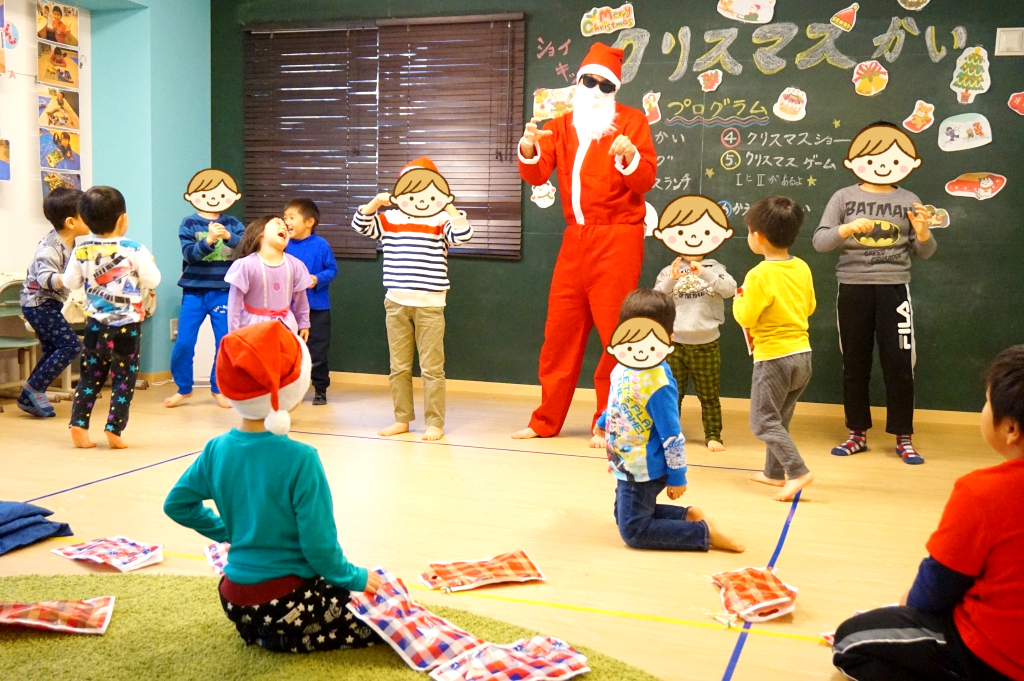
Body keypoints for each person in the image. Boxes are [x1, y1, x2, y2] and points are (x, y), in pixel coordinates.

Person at [164, 321, 383, 653]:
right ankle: (283, 638)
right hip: (285, 600)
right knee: (375, 621)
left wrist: (228, 531)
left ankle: (262, 633)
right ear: (293, 390)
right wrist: (357, 577)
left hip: (233, 599)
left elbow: (177, 504)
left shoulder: (216, 449)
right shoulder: (301, 459)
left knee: (324, 597)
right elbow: (320, 550)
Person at [832, 345, 1024, 681]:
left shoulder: (983, 492)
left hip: (993, 658)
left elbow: (936, 587)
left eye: (986, 401)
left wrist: (909, 603)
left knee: (850, 641)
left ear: (1010, 429)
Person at [513, 42, 658, 447]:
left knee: (616, 334)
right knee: (560, 333)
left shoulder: (631, 122)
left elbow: (644, 180)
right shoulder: (560, 126)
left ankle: (609, 421)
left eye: (604, 84)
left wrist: (629, 156)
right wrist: (529, 147)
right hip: (575, 238)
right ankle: (546, 419)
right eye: (588, 81)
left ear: (615, 89)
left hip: (618, 237)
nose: (595, 90)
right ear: (577, 82)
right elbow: (536, 174)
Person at [814, 122, 937, 465]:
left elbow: (924, 252)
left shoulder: (909, 199)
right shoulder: (843, 197)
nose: (883, 164)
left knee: (899, 365)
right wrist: (845, 228)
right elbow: (820, 242)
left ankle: (903, 437)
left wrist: (923, 233)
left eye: (895, 158)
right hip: (852, 288)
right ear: (853, 161)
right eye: (872, 157)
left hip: (894, 289)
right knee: (855, 364)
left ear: (910, 162)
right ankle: (857, 433)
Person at [593, 289, 744, 553]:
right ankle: (688, 516)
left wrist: (677, 476)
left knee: (634, 532)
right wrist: (604, 421)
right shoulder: (622, 366)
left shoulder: (658, 383)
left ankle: (703, 533)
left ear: (668, 340)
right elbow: (620, 402)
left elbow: (672, 434)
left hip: (645, 468)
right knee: (623, 516)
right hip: (625, 461)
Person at [352, 157, 473, 441]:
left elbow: (464, 235)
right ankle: (402, 419)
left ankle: (435, 422)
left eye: (429, 191)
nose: (420, 198)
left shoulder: (441, 220)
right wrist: (376, 202)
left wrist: (448, 204)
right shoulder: (391, 219)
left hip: (430, 304)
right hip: (396, 302)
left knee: (432, 368)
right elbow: (361, 225)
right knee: (399, 367)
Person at [62, 186, 162, 449]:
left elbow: (70, 283)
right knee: (123, 379)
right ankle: (114, 429)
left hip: (94, 326)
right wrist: (150, 263)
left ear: (86, 220)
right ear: (123, 219)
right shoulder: (134, 249)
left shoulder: (81, 250)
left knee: (89, 377)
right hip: (127, 327)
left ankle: (79, 426)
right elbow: (153, 280)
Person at [733, 196, 816, 502]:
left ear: (759, 237)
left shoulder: (759, 274)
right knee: (779, 418)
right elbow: (809, 306)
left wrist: (738, 300)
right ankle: (773, 472)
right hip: (802, 355)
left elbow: (746, 317)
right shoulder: (801, 267)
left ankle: (798, 471)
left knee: (763, 421)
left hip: (774, 359)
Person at [653, 195, 737, 452]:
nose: (691, 239)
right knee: (672, 394)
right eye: (682, 233)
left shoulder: (715, 267)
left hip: (707, 343)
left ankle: (713, 435)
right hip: (675, 344)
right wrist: (672, 279)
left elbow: (730, 289)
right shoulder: (669, 270)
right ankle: (670, 435)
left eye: (702, 233)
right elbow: (656, 298)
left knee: (709, 395)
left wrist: (706, 273)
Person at [166, 169, 246, 409]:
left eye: (221, 194)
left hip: (224, 292)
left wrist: (229, 236)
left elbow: (245, 249)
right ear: (191, 196)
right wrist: (209, 240)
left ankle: (219, 388)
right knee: (184, 342)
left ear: (234, 196)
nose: (213, 198)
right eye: (206, 194)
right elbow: (189, 255)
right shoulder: (189, 223)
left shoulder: (233, 223)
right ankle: (184, 388)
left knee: (224, 343)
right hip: (194, 292)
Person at [17, 187, 89, 417]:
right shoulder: (51, 247)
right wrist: (68, 279)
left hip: (49, 303)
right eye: (86, 213)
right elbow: (45, 278)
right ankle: (33, 389)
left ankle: (28, 396)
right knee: (70, 346)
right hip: (38, 303)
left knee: (52, 349)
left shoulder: (72, 244)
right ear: (71, 222)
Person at [284, 198, 337, 406]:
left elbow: (332, 270)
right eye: (285, 217)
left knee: (318, 351)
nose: (287, 222)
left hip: (317, 308)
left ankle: (320, 389)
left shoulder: (321, 245)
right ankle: (290, 389)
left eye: (292, 217)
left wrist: (317, 279)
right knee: (289, 350)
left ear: (309, 222)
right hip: (288, 309)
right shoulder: (283, 244)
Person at [224, 216, 311, 339]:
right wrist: (233, 333)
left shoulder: (295, 265)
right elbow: (234, 303)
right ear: (260, 232)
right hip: (252, 327)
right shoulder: (246, 265)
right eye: (277, 223)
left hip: (285, 326)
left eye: (286, 227)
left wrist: (304, 323)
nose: (284, 228)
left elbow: (301, 299)